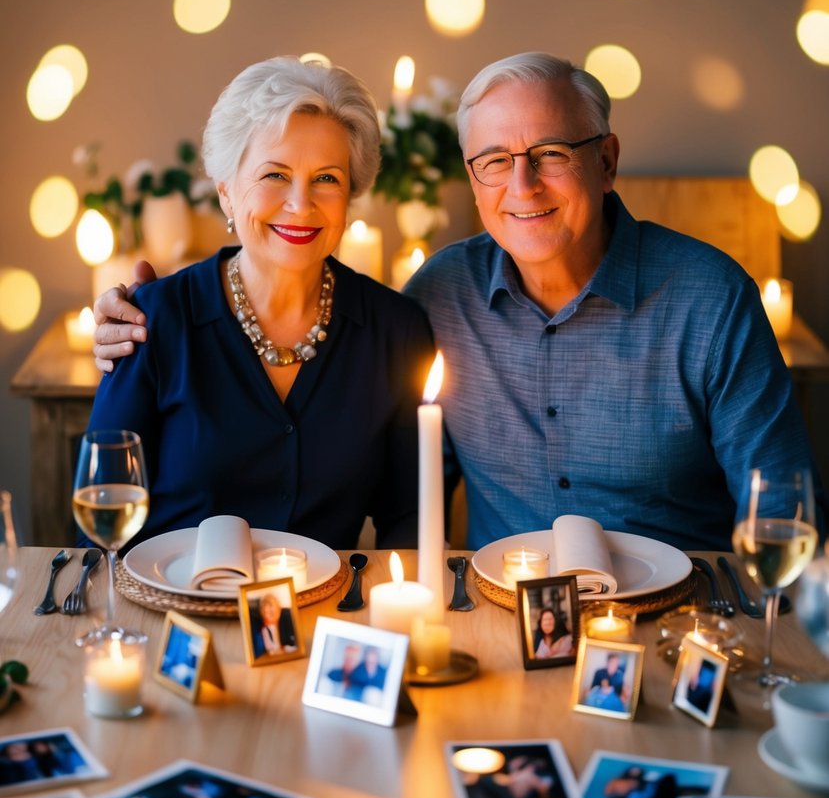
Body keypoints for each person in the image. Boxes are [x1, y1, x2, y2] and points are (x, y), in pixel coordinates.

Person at [92, 52, 825, 551]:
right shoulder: (437, 299)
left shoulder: (708, 298)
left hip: (680, 618)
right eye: (494, 163)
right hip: (493, 620)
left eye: (550, 155)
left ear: (605, 162)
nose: (521, 187)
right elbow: (102, 502)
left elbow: (785, 514)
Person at [84, 57, 434, 550]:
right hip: (169, 613)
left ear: (351, 195)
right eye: (275, 174)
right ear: (226, 192)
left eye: (327, 178)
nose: (300, 203)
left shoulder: (396, 331)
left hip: (323, 617)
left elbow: (411, 520)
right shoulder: (152, 321)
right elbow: (100, 513)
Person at [251, 592, 296, 657]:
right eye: (265, 612)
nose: (268, 614)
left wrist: (283, 649)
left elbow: (296, 646)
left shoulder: (288, 616)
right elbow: (271, 651)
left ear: (278, 606)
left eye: (271, 606)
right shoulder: (266, 629)